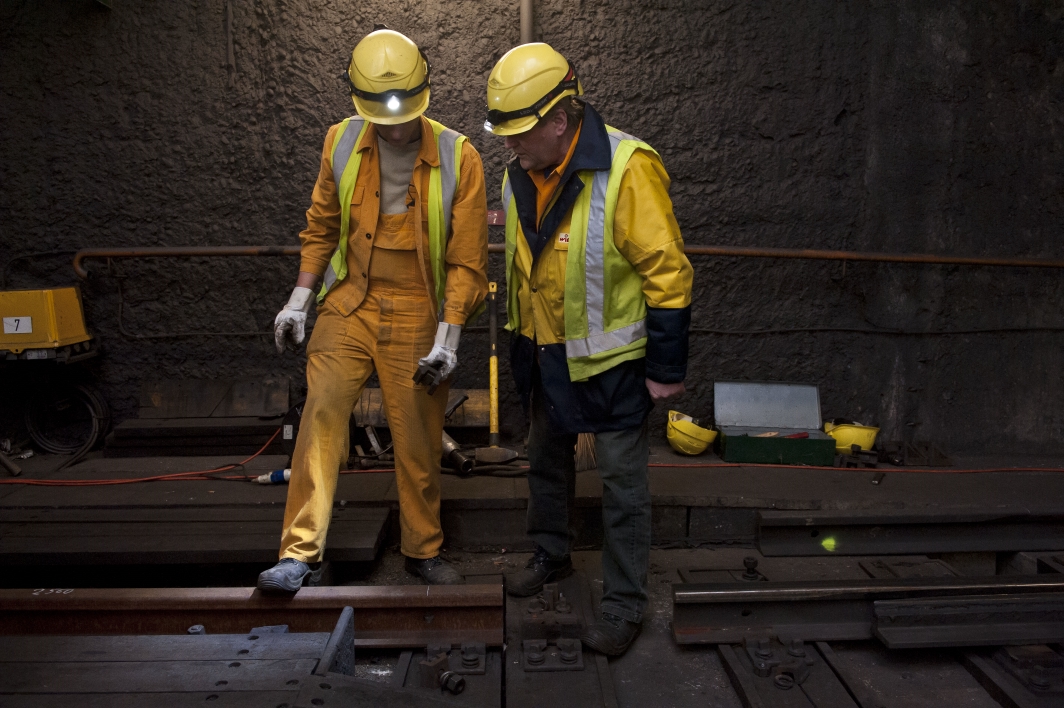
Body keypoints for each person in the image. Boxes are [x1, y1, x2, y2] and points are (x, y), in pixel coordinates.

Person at [259, 28, 488, 591]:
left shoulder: (461, 158)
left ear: (425, 94)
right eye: (380, 113)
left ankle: (422, 550)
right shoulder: (341, 142)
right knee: (322, 415)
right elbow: (322, 226)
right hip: (349, 302)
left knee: (416, 436)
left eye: (404, 111)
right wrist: (298, 301)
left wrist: (447, 340)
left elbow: (466, 260)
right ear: (359, 101)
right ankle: (299, 554)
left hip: (419, 307)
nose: (393, 123)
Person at [485, 43, 693, 655]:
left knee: (622, 484)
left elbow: (668, 273)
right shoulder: (518, 168)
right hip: (544, 351)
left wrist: (665, 368)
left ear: (560, 120)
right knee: (545, 459)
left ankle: (625, 602)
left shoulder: (628, 168)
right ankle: (551, 553)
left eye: (520, 132)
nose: (509, 146)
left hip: (614, 365)